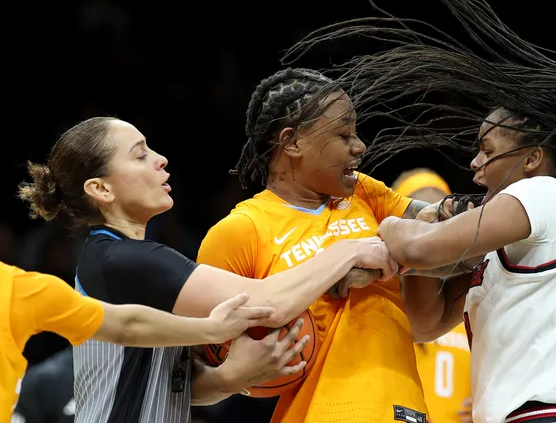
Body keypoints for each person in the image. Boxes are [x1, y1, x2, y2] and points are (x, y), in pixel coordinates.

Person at [276, 0, 556, 423]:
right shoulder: (508, 242)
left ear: (532, 158)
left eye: (487, 149)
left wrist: (395, 226)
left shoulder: (550, 196)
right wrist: (422, 255)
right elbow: (425, 323)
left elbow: (415, 248)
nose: (475, 164)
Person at [17, 116, 397, 423]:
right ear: (101, 189)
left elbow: (182, 388)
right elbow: (267, 303)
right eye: (139, 155)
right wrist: (349, 249)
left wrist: (231, 377)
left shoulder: (121, 261)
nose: (160, 159)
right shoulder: (121, 262)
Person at [196, 67, 476, 423]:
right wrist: (232, 375)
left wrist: (382, 260)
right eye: (344, 134)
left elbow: (457, 238)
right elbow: (189, 375)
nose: (360, 146)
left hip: (403, 405)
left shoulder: (366, 194)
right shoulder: (239, 232)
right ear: (292, 142)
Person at [1, 259, 277, 423]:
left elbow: (125, 325)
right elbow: (125, 325)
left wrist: (224, 370)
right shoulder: (48, 380)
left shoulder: (21, 288)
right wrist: (211, 329)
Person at [391, 169, 472, 423]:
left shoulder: (469, 310)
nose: (430, 227)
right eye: (420, 217)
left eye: (440, 218)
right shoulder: (374, 311)